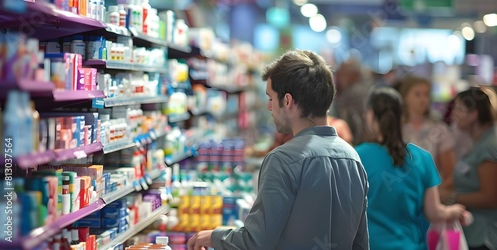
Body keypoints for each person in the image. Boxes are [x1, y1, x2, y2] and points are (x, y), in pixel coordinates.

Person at [187, 50, 369, 250]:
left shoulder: (283, 160)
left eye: (271, 98)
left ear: (288, 101)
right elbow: (360, 243)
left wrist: (215, 237)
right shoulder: (353, 158)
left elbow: (256, 242)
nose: (269, 107)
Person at [355, 87, 469, 250]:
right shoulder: (422, 158)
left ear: (370, 115)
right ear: (402, 116)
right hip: (411, 245)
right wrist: (454, 211)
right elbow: (434, 212)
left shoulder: (358, 156)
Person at [441, 87, 497, 250]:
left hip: (485, 236)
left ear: (473, 114)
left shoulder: (488, 147)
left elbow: (490, 197)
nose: (453, 114)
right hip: (473, 233)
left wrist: (451, 198)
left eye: (459, 109)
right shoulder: (479, 143)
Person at [396, 75, 456, 190]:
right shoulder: (395, 128)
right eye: (417, 94)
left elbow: (449, 174)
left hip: (431, 192)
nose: (423, 99)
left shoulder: (439, 129)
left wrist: (433, 197)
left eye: (426, 94)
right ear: (405, 97)